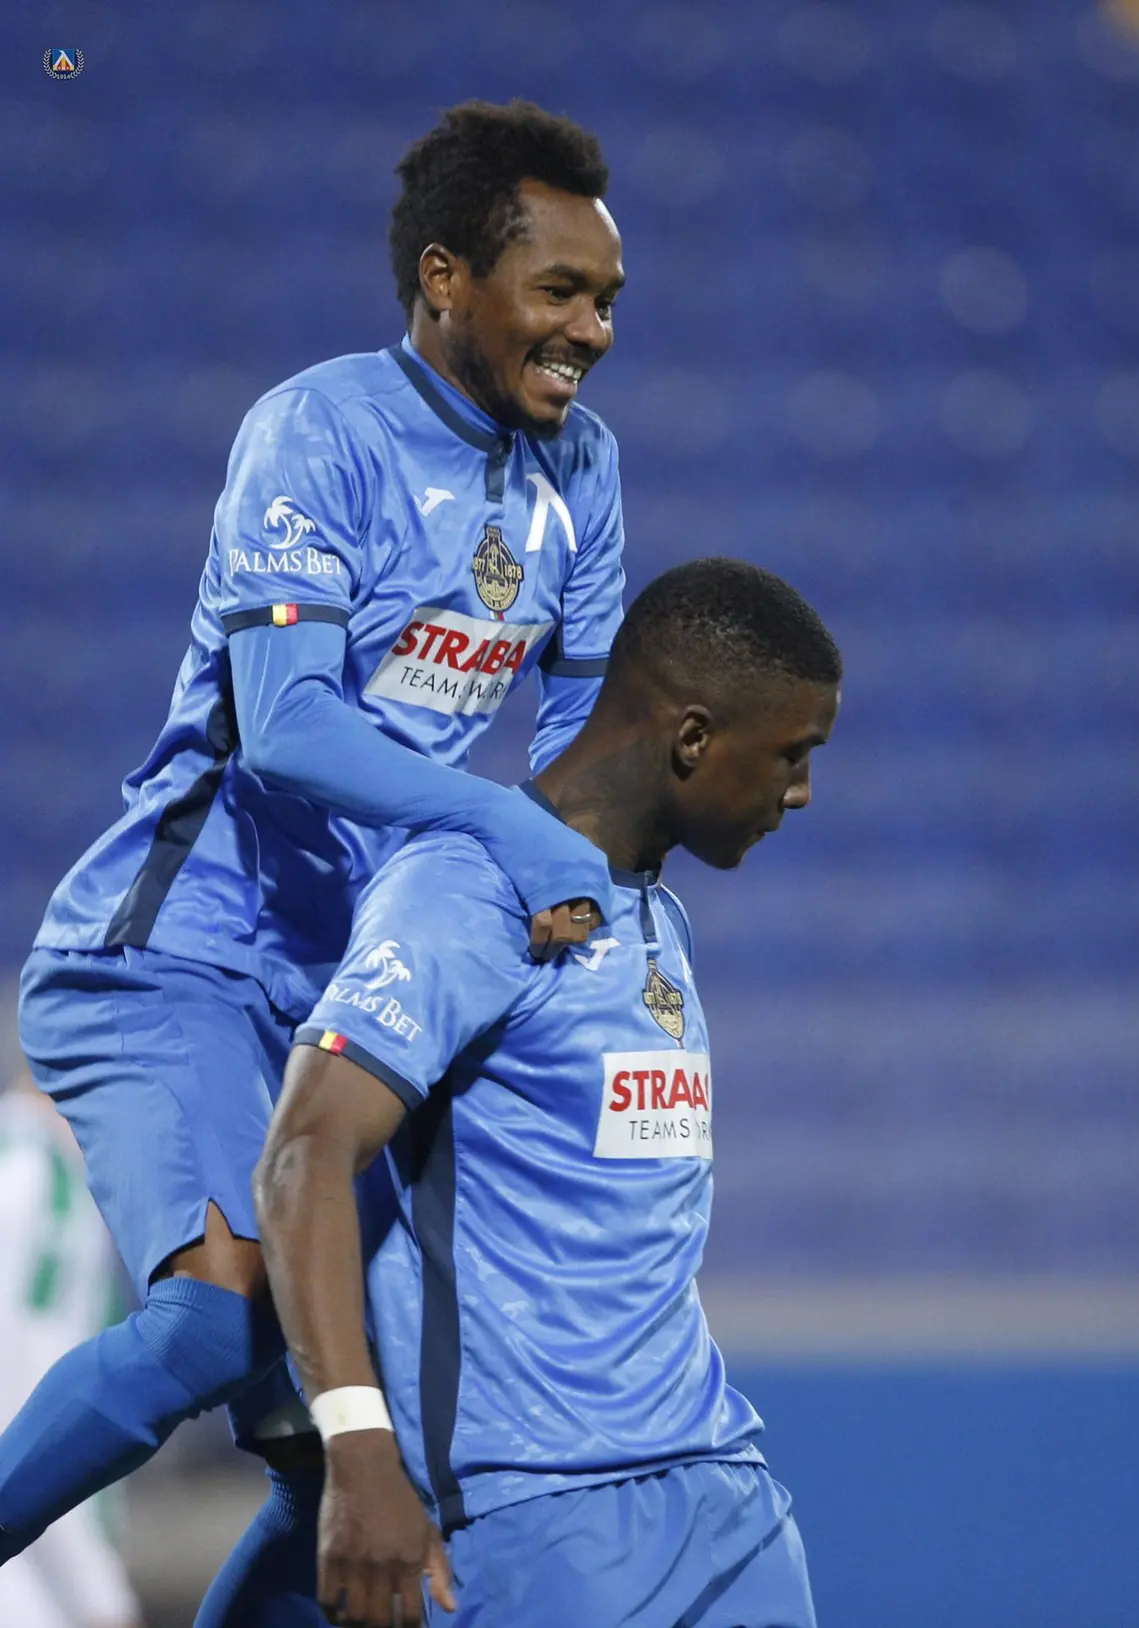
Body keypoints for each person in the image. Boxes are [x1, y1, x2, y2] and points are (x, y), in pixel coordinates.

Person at [2, 98, 628, 1575]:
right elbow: (285, 723)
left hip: (338, 989)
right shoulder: (319, 431)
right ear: (445, 279)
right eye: (560, 291)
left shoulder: (583, 471)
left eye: (608, 300)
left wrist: (577, 882)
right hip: (176, 949)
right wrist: (500, 822)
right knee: (211, 1324)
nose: (592, 331)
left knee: (344, 1447)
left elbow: (580, 744)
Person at [254, 557, 842, 1627]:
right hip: (543, 1520)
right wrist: (359, 1448)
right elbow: (305, 1155)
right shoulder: (465, 893)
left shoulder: (652, 912)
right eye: (792, 755)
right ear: (693, 738)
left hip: (725, 1493)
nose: (800, 793)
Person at [0, 1069, 143, 1628]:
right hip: (29, 1547)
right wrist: (100, 1596)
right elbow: (26, 1395)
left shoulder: (43, 1162)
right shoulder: (33, 1176)